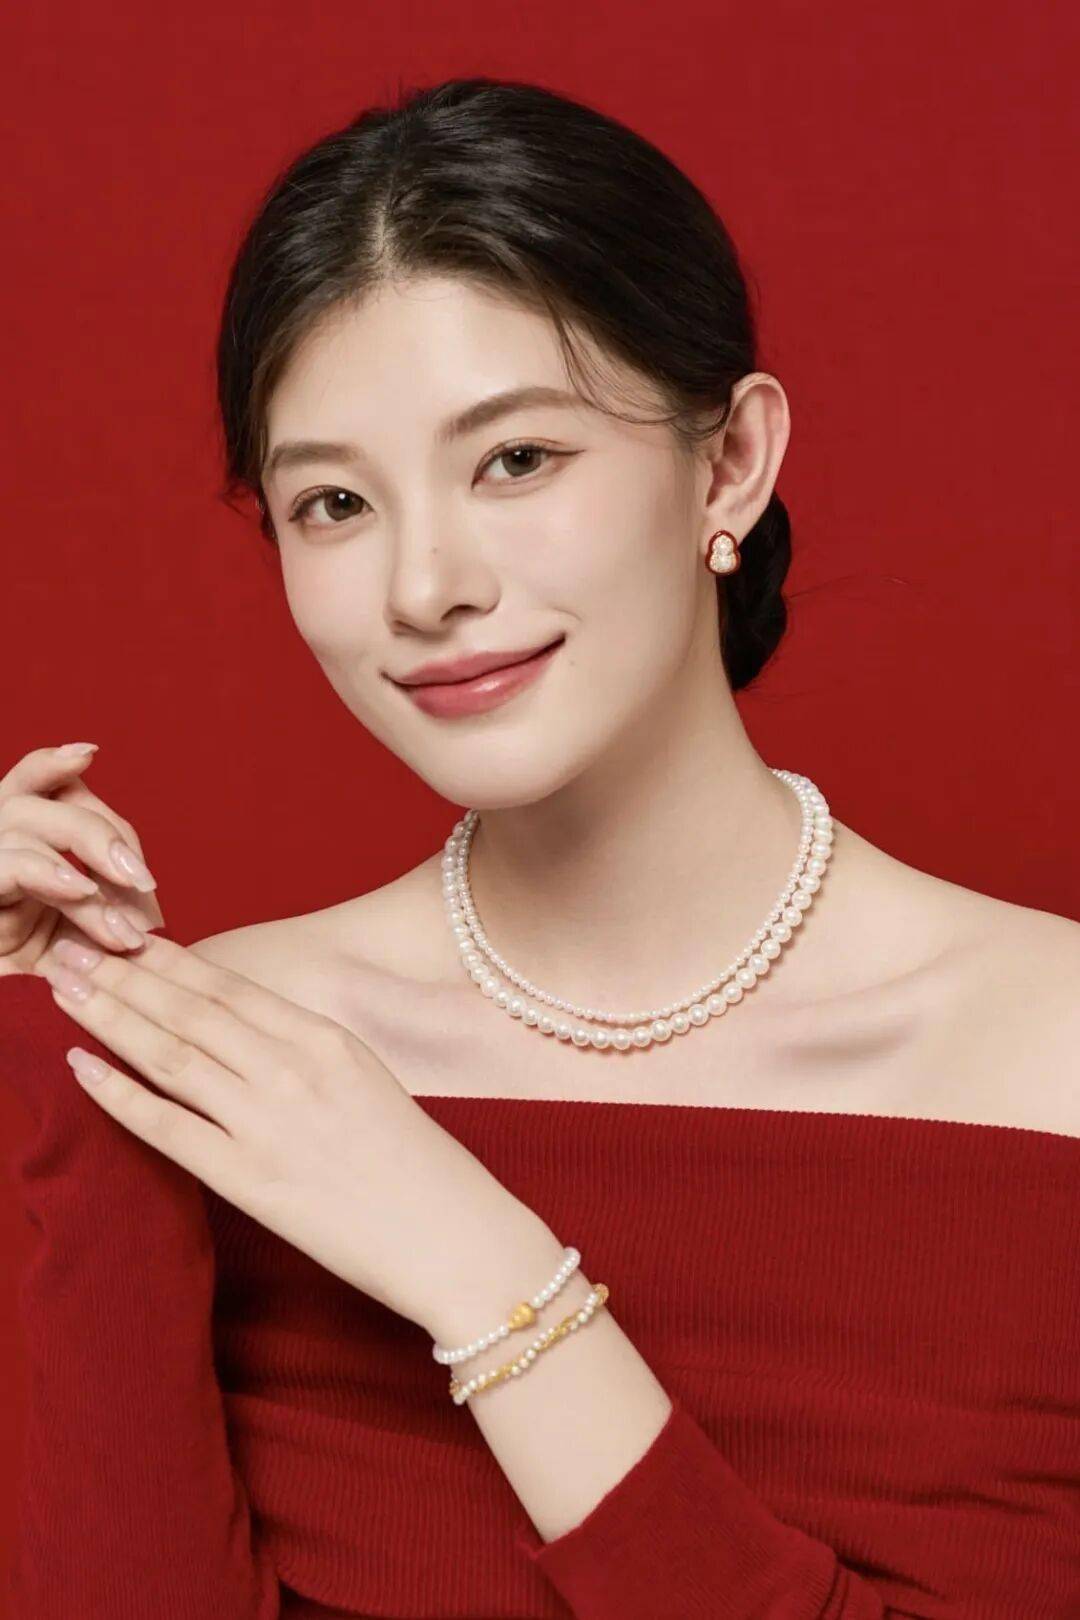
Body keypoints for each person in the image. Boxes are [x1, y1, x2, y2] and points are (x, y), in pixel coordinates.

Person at [3, 74, 1078, 1619]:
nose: (424, 586)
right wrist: (65, 1038)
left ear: (729, 463)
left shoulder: (1054, 1062)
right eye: (334, 503)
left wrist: (481, 1269)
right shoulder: (231, 1061)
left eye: (516, 460)